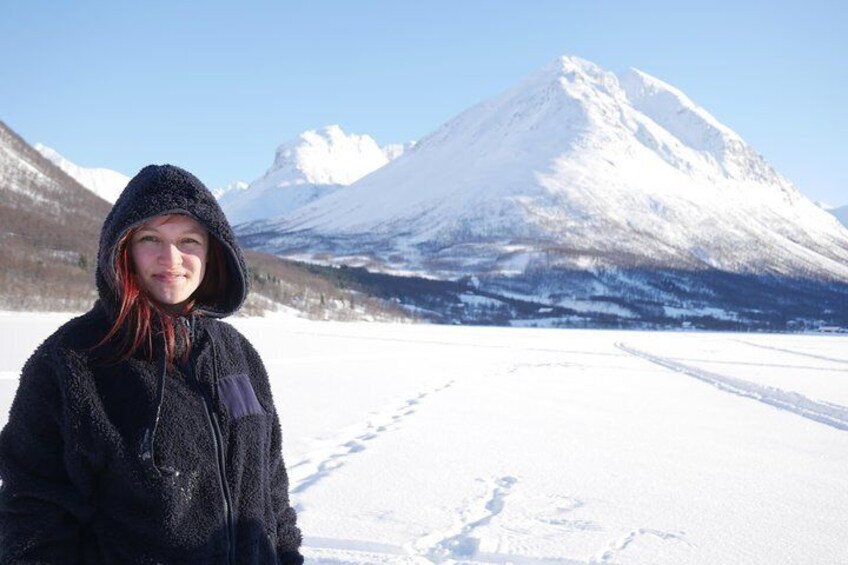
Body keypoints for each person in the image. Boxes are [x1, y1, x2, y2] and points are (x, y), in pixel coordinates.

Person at [0, 164, 303, 564]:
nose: (171, 258)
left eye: (190, 241)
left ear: (214, 253)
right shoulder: (72, 362)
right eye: (150, 238)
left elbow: (271, 485)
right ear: (124, 248)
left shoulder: (237, 355)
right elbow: (31, 519)